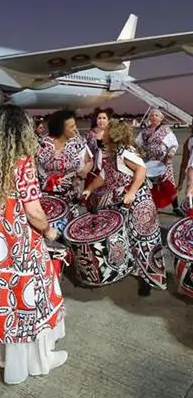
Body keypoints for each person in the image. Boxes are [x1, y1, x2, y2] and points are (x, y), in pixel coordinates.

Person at [0, 104, 67, 385]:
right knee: (27, 299)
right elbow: (33, 210)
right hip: (18, 242)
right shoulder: (22, 161)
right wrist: (48, 230)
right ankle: (35, 361)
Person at [82, 120, 167, 297]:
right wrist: (89, 189)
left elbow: (141, 170)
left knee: (145, 242)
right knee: (130, 240)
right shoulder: (113, 153)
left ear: (113, 135)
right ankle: (138, 271)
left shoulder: (125, 152)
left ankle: (148, 280)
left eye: (105, 132)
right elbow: (104, 176)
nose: (102, 133)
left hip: (138, 204)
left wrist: (132, 192)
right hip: (126, 204)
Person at [35, 109, 93, 215]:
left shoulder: (78, 142)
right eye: (71, 127)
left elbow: (89, 162)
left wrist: (80, 176)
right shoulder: (42, 143)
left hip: (70, 196)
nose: (75, 129)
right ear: (60, 128)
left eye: (75, 125)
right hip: (44, 195)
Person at [135, 109, 184, 216]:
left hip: (164, 162)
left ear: (161, 119)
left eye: (156, 115)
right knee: (152, 186)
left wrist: (171, 153)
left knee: (169, 184)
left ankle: (176, 207)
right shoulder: (145, 131)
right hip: (150, 163)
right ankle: (154, 206)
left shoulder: (165, 130)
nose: (153, 117)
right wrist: (139, 154)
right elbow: (138, 144)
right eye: (152, 115)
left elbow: (173, 144)